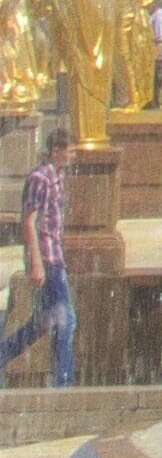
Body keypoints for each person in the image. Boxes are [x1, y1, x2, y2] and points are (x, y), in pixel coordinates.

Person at [2, 124, 75, 386]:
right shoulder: (39, 178)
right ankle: (63, 385)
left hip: (55, 256)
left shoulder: (58, 176)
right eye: (69, 150)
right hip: (46, 260)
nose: (72, 155)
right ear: (56, 151)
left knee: (43, 323)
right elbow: (28, 221)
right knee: (66, 321)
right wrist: (36, 264)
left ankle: (1, 356)